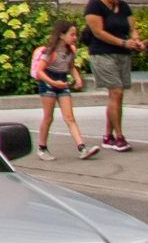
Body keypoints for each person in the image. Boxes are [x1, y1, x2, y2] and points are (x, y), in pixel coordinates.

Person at [81, 0, 143, 152]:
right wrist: (123, 42)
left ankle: (108, 135)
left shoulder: (123, 7)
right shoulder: (95, 6)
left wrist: (136, 41)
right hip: (102, 53)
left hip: (122, 54)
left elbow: (132, 28)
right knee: (116, 91)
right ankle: (119, 136)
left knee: (117, 95)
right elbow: (98, 32)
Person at [29, 15, 100, 161]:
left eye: (75, 34)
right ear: (62, 35)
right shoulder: (50, 52)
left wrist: (77, 78)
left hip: (62, 81)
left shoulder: (71, 51)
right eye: (71, 34)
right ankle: (42, 147)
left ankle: (82, 147)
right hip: (49, 82)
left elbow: (71, 67)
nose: (75, 37)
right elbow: (40, 71)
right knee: (48, 118)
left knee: (69, 117)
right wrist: (54, 83)